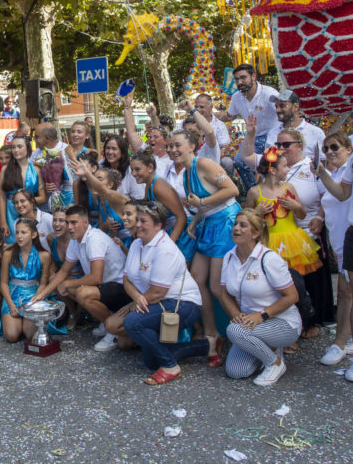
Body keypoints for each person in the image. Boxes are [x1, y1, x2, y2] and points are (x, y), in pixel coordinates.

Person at [118, 202, 213, 385]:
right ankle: (207, 346)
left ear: (158, 225)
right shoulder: (138, 243)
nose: (137, 224)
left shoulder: (164, 249)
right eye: (137, 219)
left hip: (184, 304)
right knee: (151, 361)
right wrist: (137, 298)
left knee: (132, 322)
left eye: (143, 221)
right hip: (153, 300)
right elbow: (126, 280)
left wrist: (138, 302)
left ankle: (170, 366)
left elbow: (158, 292)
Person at [171, 128, 240, 351]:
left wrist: (200, 205)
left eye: (177, 145)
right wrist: (196, 219)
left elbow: (232, 190)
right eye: (171, 146)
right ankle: (212, 333)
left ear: (192, 146)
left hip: (225, 223)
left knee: (217, 286)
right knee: (196, 279)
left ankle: (246, 331)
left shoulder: (204, 164)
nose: (173, 150)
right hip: (208, 223)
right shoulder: (187, 172)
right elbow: (204, 202)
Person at [219, 209, 302, 386]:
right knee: (236, 372)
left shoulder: (269, 259)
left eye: (243, 226)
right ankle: (267, 349)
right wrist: (235, 314)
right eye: (235, 224)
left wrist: (262, 315)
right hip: (249, 324)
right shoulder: (229, 257)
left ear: (256, 233)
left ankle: (275, 363)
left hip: (281, 322)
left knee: (234, 331)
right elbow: (224, 293)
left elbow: (292, 296)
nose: (236, 229)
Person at [37, 205, 127, 352]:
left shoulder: (94, 239)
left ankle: (112, 332)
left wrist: (68, 283)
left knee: (82, 293)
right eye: (68, 223)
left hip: (121, 286)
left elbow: (96, 278)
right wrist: (41, 295)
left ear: (86, 223)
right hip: (106, 286)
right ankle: (108, 320)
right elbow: (64, 271)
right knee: (66, 287)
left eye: (74, 223)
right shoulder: (76, 240)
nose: (70, 227)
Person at [314, 131, 353, 366]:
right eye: (326, 148)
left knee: (348, 293)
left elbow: (342, 195)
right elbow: (328, 199)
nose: (329, 152)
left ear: (349, 149)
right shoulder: (333, 172)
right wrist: (320, 217)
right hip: (340, 243)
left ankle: (340, 343)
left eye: (335, 147)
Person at [245, 147, 321, 278]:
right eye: (285, 166)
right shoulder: (254, 192)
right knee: (270, 277)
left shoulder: (288, 188)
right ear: (273, 170)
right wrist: (257, 212)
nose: (288, 169)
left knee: (294, 278)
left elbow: (302, 215)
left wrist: (296, 206)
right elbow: (246, 220)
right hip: (267, 242)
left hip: (291, 242)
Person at [220, 64, 280, 187]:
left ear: (253, 76)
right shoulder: (237, 97)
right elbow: (230, 116)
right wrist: (207, 115)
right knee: (239, 161)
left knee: (271, 164)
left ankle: (273, 190)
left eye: (243, 77)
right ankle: (253, 190)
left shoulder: (269, 94)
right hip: (254, 137)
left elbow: (283, 111)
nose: (239, 82)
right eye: (236, 79)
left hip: (274, 137)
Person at [0, 218, 52, 343]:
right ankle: (14, 321)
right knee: (11, 336)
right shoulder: (8, 253)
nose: (19, 236)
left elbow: (43, 284)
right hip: (13, 295)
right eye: (17, 232)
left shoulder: (44, 256)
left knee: (30, 335)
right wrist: (11, 305)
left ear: (33, 234)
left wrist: (33, 303)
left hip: (33, 296)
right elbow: (3, 283)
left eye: (23, 232)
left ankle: (27, 322)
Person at [125, 152, 188, 245]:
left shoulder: (158, 187)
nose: (133, 173)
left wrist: (169, 244)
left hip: (181, 233)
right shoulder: (148, 185)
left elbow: (182, 217)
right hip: (166, 232)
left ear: (150, 167)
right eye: (132, 170)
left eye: (137, 169)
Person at [0, 135, 45, 243]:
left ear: (27, 148)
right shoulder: (5, 169)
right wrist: (3, 222)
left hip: (31, 213)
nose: (16, 150)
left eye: (19, 146)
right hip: (10, 213)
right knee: (13, 246)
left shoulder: (36, 170)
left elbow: (43, 197)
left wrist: (26, 202)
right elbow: (2, 197)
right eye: (13, 147)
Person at [68, 162, 130, 248]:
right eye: (94, 179)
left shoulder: (115, 197)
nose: (94, 183)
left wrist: (87, 173)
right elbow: (102, 230)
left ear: (110, 185)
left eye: (99, 179)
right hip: (113, 242)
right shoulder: (101, 201)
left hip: (128, 243)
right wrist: (106, 226)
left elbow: (100, 188)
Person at [264, 90, 326, 162]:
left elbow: (325, 163)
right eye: (276, 106)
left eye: (282, 106)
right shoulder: (272, 133)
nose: (278, 110)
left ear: (295, 107)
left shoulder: (315, 133)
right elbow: (268, 163)